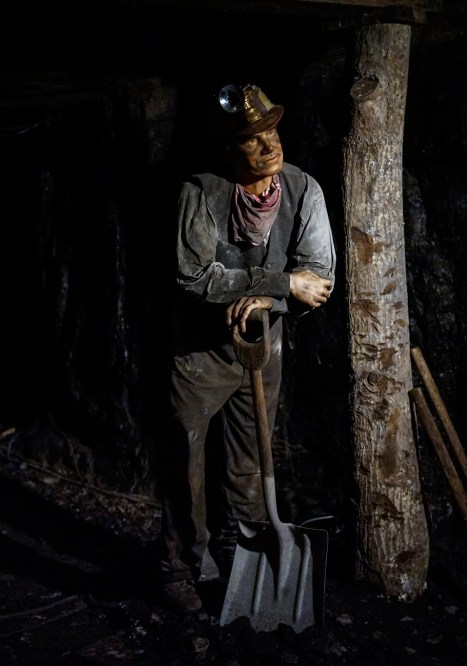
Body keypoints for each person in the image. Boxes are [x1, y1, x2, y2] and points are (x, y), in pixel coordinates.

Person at [158, 83, 336, 613]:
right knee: (185, 464)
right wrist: (280, 285)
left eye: (272, 133)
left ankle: (241, 565)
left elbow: (319, 278)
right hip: (199, 354)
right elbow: (193, 274)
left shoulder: (304, 190)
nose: (269, 147)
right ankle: (180, 567)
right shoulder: (203, 191)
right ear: (228, 150)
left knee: (250, 464)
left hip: (264, 348)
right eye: (252, 141)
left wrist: (260, 295)